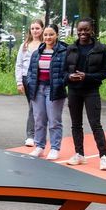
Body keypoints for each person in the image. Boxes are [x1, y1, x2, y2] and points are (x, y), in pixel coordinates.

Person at [65, 17, 106, 170]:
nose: (82, 32)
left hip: (91, 91)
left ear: (92, 30)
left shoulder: (101, 48)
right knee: (76, 124)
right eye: (80, 30)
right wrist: (69, 77)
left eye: (86, 29)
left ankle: (104, 157)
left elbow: (105, 72)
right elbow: (63, 71)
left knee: (95, 124)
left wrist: (88, 76)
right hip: (74, 90)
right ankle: (79, 154)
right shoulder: (70, 48)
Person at [25, 24, 68, 160]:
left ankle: (55, 148)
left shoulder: (63, 52)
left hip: (54, 89)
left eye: (51, 34)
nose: (48, 37)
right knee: (39, 119)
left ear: (56, 35)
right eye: (46, 35)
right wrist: (30, 83)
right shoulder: (37, 52)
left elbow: (67, 71)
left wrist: (61, 82)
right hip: (38, 89)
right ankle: (39, 146)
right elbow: (31, 71)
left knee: (54, 120)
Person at [15, 19, 44, 147]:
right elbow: (19, 64)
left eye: (37, 28)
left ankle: (33, 135)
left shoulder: (45, 44)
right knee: (33, 106)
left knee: (35, 106)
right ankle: (34, 134)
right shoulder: (25, 45)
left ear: (42, 29)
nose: (35, 31)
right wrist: (19, 82)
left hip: (41, 78)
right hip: (27, 79)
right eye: (32, 28)